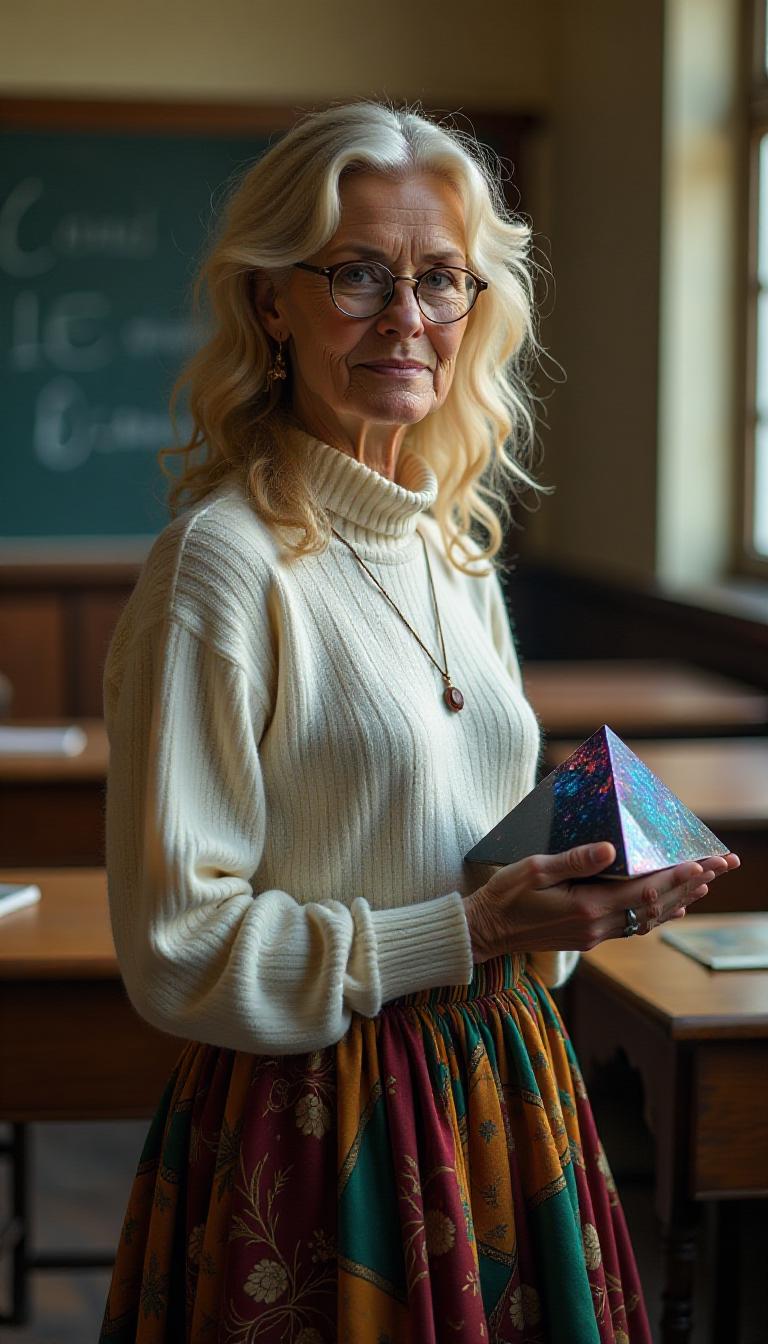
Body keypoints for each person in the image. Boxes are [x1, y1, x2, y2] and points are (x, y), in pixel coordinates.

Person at [98, 102, 737, 1344]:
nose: (407, 317)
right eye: (358, 274)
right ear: (272, 303)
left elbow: (469, 865)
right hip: (321, 1126)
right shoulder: (222, 568)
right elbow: (177, 945)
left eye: (441, 279)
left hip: (502, 1088)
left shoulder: (452, 548)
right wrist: (468, 926)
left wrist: (576, 899)